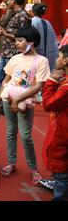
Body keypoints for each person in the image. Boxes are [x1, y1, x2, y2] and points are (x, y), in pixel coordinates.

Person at [0, 26, 50, 185]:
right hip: (8, 99)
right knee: (10, 132)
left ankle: (33, 168)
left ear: (31, 42)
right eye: (16, 40)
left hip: (25, 102)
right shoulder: (14, 59)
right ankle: (11, 163)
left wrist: (18, 100)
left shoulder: (41, 61)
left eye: (20, 40)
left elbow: (38, 86)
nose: (16, 43)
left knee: (26, 136)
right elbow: (6, 81)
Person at [42, 44, 68, 201]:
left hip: (63, 134)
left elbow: (48, 104)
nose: (56, 59)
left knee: (61, 168)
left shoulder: (65, 88)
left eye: (58, 56)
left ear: (65, 60)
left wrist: (51, 81)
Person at [0, 0, 31, 92]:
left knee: (13, 80)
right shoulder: (13, 13)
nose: (7, 1)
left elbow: (24, 37)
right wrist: (1, 33)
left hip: (14, 52)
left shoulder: (23, 16)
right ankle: (2, 102)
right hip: (6, 51)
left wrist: (5, 34)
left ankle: (7, 103)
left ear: (13, 1)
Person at [31, 3, 59, 71]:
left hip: (36, 53)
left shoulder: (33, 21)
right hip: (48, 54)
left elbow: (30, 37)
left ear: (32, 12)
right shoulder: (48, 23)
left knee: (34, 73)